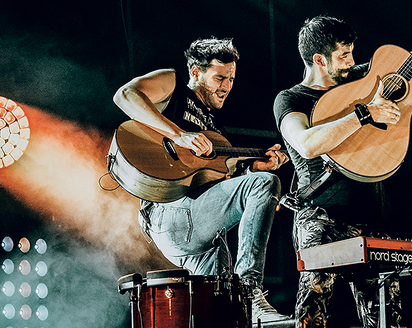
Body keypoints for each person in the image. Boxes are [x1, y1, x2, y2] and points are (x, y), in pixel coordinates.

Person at [273, 0, 412, 328]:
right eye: (343, 55)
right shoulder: (292, 98)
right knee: (312, 313)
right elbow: (306, 144)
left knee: (387, 317)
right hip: (321, 214)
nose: (350, 61)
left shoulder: (362, 78)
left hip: (373, 212)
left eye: (351, 52)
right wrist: (363, 113)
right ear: (318, 60)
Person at [113, 37, 291, 324]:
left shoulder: (215, 130)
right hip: (169, 211)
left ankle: (243, 307)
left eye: (231, 79)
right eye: (219, 77)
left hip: (199, 230)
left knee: (222, 313)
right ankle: (250, 291)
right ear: (196, 73)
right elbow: (124, 95)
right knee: (264, 184)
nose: (226, 86)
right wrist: (178, 134)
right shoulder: (174, 87)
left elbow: (221, 187)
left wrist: (253, 167)